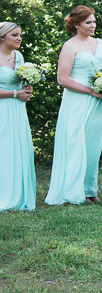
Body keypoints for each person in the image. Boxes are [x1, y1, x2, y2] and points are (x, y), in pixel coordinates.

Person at [46, 6, 102, 205]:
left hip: (100, 101)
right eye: (88, 22)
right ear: (76, 24)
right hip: (78, 100)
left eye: (94, 21)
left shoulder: (100, 43)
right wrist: (91, 91)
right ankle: (72, 190)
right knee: (76, 144)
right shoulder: (70, 46)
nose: (93, 25)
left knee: (93, 146)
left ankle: (90, 191)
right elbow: (63, 79)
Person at [0, 22, 36, 212]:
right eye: (14, 35)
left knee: (19, 148)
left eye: (20, 35)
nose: (19, 38)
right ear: (2, 37)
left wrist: (27, 87)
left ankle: (19, 195)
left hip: (17, 109)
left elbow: (21, 80)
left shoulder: (19, 56)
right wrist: (14, 94)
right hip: (3, 107)